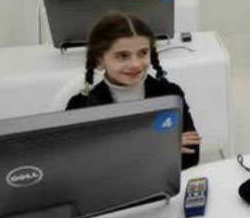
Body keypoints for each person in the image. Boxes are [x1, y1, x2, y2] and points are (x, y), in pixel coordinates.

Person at [66, 12, 201, 169]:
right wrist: (156, 145)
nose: (136, 64)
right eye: (123, 56)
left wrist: (114, 152)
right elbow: (79, 165)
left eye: (143, 53)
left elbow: (190, 156)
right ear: (99, 61)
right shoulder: (80, 105)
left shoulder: (169, 93)